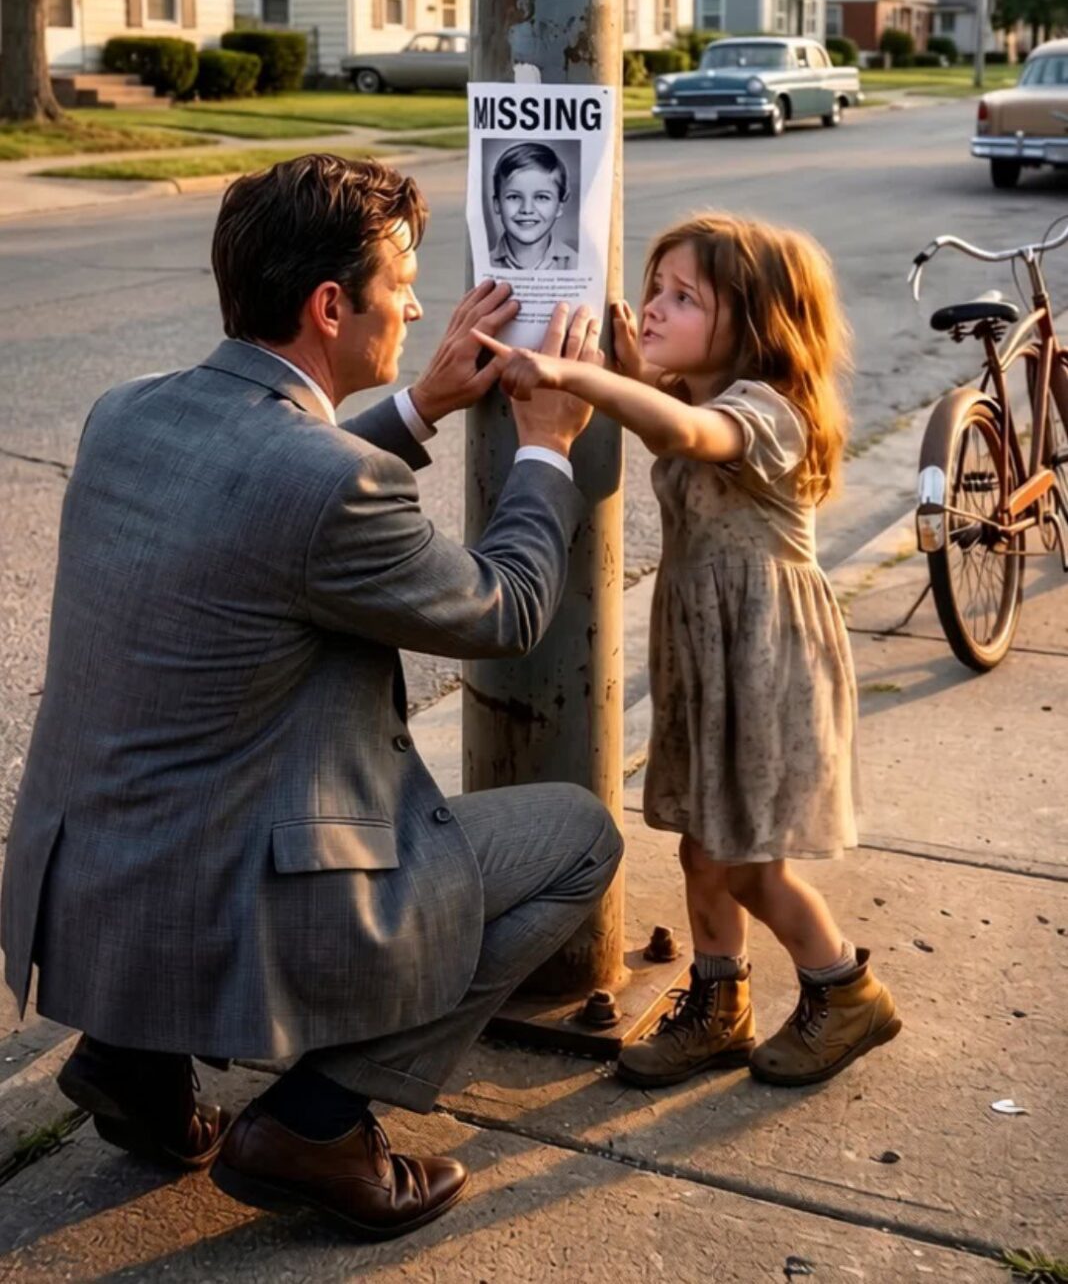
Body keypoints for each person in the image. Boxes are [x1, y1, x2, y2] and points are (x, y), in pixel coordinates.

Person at [0, 153, 622, 1238]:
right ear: (332, 306)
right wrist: (546, 452)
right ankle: (316, 1125)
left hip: (94, 886)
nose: (423, 302)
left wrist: (421, 403)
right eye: (405, 282)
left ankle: (136, 1064)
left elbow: (268, 496)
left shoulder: (126, 412)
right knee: (576, 837)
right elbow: (505, 609)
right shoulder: (328, 484)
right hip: (226, 890)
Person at [476, 212, 901, 1092]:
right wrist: (635, 377)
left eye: (682, 297)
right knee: (703, 848)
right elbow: (676, 426)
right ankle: (720, 1002)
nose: (654, 306)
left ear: (755, 324)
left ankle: (844, 986)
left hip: (766, 662)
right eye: (655, 288)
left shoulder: (767, 412)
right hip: (713, 659)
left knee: (747, 857)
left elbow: (687, 438)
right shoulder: (707, 400)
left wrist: (568, 373)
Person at [489, 142, 578, 272]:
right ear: (497, 204)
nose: (527, 209)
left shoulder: (575, 264)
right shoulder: (484, 264)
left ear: (559, 206)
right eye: (514, 197)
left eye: (542, 197)